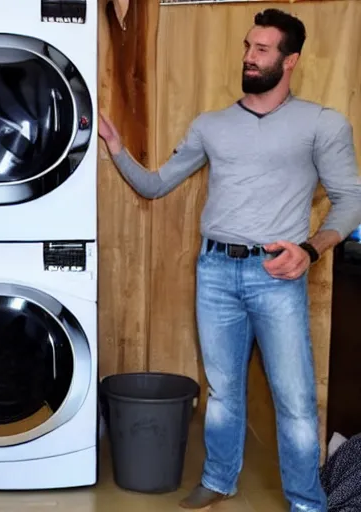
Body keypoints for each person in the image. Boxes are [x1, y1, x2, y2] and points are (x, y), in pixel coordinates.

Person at [98, 8, 361, 512]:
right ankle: (220, 479)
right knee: (222, 391)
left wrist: (310, 250)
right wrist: (115, 145)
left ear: (290, 61)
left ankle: (307, 502)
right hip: (215, 271)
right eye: (247, 46)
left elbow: (350, 198)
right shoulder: (210, 126)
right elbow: (155, 186)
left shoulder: (322, 123)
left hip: (275, 274)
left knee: (296, 402)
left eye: (261, 49)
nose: (249, 56)